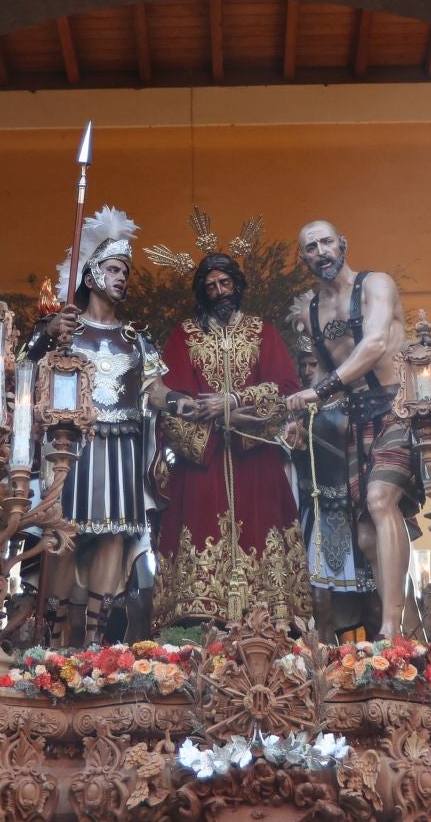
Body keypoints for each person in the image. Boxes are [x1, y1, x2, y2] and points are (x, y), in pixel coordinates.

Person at [24, 206, 167, 645]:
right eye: (112, 269)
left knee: (114, 535)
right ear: (89, 277)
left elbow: (156, 392)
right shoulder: (63, 332)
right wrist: (46, 332)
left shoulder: (137, 338)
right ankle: (53, 638)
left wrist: (190, 405)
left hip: (123, 446)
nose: (122, 277)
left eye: (125, 270)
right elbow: (22, 372)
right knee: (65, 533)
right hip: (73, 446)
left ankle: (94, 642)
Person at [147, 244, 306, 627]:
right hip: (204, 461)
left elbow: (286, 389)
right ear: (202, 292)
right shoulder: (184, 335)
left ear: (237, 285)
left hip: (256, 457)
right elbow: (168, 396)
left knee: (263, 527)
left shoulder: (262, 331)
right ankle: (197, 628)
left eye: (225, 282)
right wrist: (204, 414)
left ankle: (271, 626)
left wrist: (233, 404)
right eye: (211, 285)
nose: (219, 291)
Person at [284, 219, 414, 638]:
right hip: (355, 418)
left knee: (380, 501)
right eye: (310, 246)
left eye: (326, 242)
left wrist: (318, 391)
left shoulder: (376, 284)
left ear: (343, 244)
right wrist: (298, 419)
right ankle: (407, 627)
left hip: (398, 406)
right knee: (365, 536)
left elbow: (374, 344)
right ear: (302, 258)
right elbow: (322, 368)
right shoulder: (310, 312)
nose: (320, 251)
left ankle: (390, 631)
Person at [288, 338, 378, 638]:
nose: (306, 370)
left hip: (353, 510)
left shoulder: (354, 403)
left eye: (313, 364)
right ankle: (324, 669)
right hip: (315, 511)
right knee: (318, 601)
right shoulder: (298, 410)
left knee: (372, 602)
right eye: (302, 364)